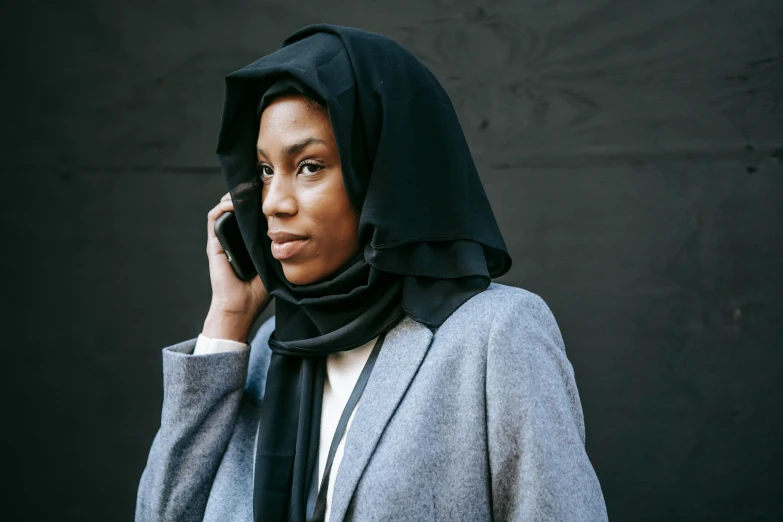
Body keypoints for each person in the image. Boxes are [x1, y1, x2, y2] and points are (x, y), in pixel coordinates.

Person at [135, 23, 608, 522]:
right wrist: (227, 321)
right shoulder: (267, 352)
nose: (273, 203)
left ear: (382, 173)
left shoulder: (496, 335)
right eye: (265, 170)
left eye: (310, 166)